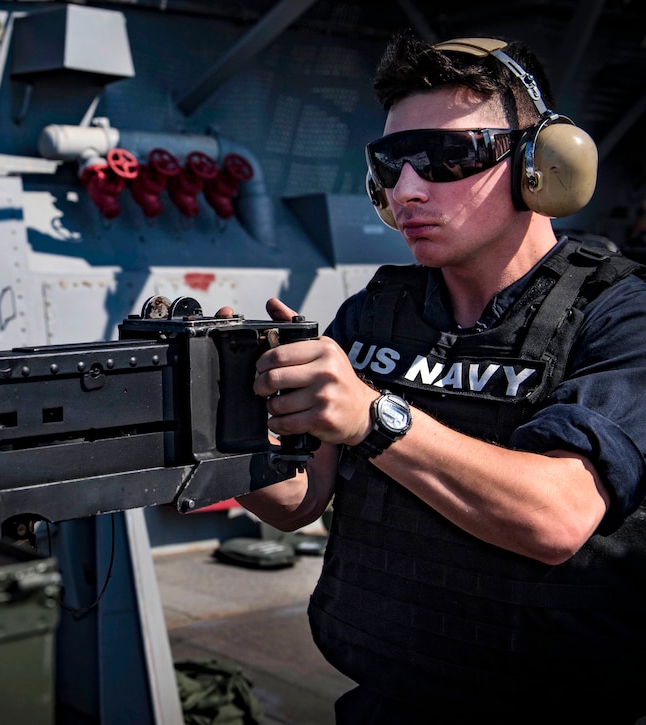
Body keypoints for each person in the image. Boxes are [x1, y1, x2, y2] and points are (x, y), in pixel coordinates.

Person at [233, 33, 646, 723]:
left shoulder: (619, 312)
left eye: (448, 157)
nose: (408, 189)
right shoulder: (377, 310)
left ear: (540, 165)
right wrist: (222, 421)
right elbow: (301, 499)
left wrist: (374, 416)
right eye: (392, 163)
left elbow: (556, 517)